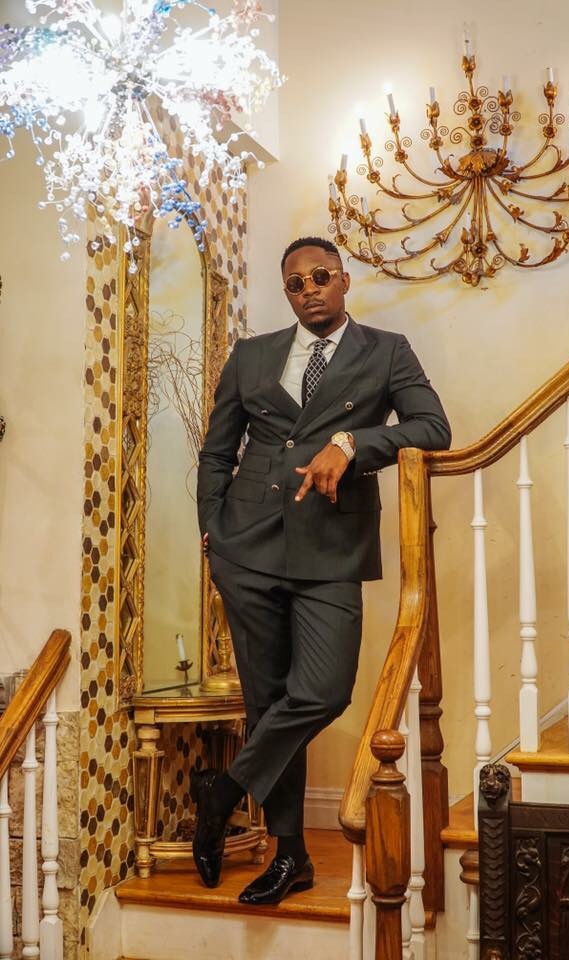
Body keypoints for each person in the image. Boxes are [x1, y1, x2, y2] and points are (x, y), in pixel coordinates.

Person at [194, 235, 451, 905]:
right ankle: (291, 856)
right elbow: (217, 452)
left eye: (320, 277)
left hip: (331, 547)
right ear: (288, 292)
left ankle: (223, 792)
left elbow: (432, 427)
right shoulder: (252, 355)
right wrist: (212, 530)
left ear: (343, 281)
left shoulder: (386, 351)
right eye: (296, 283)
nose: (309, 289)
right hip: (247, 546)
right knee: (268, 698)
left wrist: (352, 442)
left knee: (323, 690)